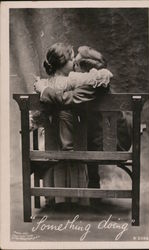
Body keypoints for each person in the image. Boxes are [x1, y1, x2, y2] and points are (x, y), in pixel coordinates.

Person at [35, 45, 132, 211]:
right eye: (73, 62)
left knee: (81, 133)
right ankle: (92, 191)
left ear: (87, 69)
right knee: (85, 131)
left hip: (113, 141)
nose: (73, 67)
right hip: (102, 138)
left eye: (76, 63)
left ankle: (89, 191)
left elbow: (67, 100)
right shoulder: (91, 81)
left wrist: (44, 90)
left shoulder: (93, 84)